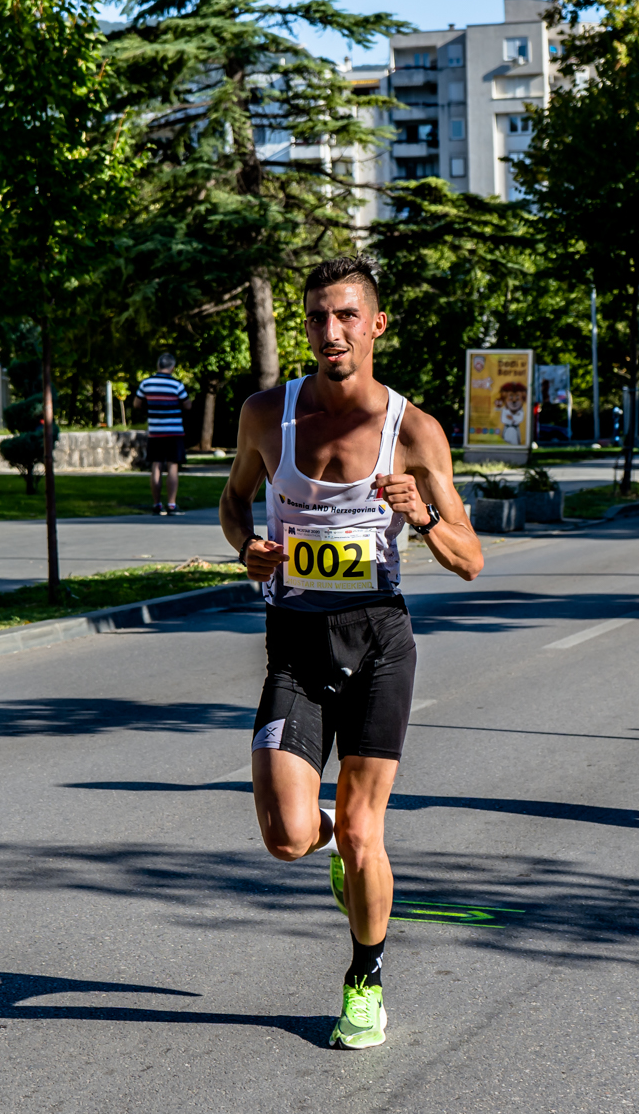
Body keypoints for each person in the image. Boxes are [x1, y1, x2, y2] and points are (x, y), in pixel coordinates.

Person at [220, 255, 484, 1050]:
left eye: (344, 316)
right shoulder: (267, 415)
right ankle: (333, 834)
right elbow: (235, 500)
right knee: (287, 836)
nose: (328, 331)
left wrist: (426, 518)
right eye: (315, 317)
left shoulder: (415, 431)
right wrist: (248, 550)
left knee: (371, 835)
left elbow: (471, 558)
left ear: (375, 325)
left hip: (378, 641)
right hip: (295, 643)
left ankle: (364, 979)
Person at [132, 353, 191, 515]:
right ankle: (171, 504)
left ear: (158, 365)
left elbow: (137, 403)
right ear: (172, 367)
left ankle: (156, 504)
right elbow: (187, 405)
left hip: (155, 431)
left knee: (156, 465)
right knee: (173, 466)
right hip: (174, 432)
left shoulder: (146, 384)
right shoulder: (176, 385)